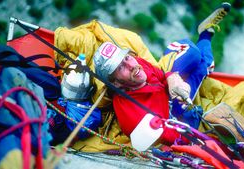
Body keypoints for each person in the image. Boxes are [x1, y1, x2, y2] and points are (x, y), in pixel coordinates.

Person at [93, 2, 231, 145]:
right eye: (121, 67)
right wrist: (189, 120)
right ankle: (206, 33)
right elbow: (171, 139)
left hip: (171, 97)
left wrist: (172, 78)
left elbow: (160, 75)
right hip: (174, 116)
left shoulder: (136, 66)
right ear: (115, 82)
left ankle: (204, 34)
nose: (130, 65)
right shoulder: (132, 114)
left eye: (126, 57)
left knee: (194, 53)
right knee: (204, 66)